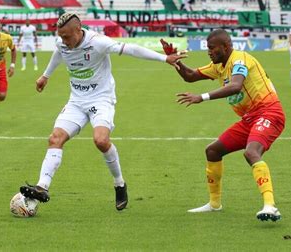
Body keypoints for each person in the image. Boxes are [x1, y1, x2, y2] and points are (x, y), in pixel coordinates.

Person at [19, 13, 185, 211]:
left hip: (101, 99)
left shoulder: (98, 42)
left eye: (67, 37)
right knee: (55, 138)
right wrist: (45, 76)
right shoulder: (62, 42)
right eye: (61, 37)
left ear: (78, 31)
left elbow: (131, 49)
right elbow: (59, 51)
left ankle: (119, 184)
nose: (64, 41)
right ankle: (42, 187)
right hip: (76, 101)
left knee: (101, 141)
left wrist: (164, 58)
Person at [167, 29, 285, 222]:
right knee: (213, 151)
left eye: (212, 48)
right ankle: (214, 204)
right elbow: (190, 76)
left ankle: (270, 205)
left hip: (269, 112)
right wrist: (175, 61)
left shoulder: (239, 60)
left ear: (226, 46)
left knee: (251, 152)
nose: (209, 52)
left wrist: (202, 97)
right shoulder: (219, 66)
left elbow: (235, 86)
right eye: (208, 48)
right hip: (249, 118)